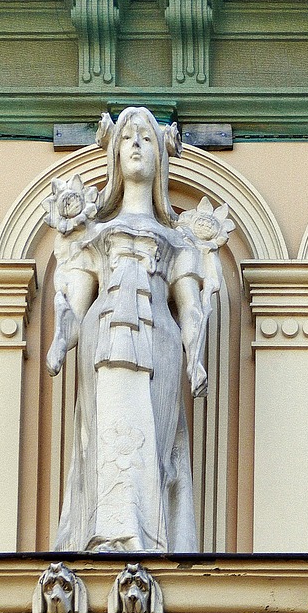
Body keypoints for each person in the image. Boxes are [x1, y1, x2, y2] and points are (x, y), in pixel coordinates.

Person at [44, 107, 215, 552]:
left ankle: (148, 538)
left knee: (153, 440)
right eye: (126, 137)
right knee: (106, 433)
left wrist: (195, 357)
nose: (135, 144)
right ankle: (107, 534)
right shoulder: (95, 235)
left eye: (144, 137)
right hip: (102, 343)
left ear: (160, 156)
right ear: (115, 155)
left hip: (158, 341)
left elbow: (191, 309)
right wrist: (61, 340)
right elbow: (75, 308)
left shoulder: (179, 241)